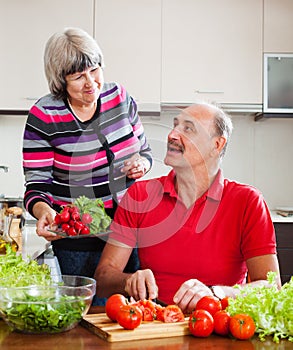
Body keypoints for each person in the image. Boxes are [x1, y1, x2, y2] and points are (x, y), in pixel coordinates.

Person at [95, 102, 281, 313]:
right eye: (175, 126)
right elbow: (102, 279)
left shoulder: (248, 201)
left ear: (217, 145)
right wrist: (129, 281)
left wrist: (217, 293)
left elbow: (271, 287)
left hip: (220, 322)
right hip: (156, 323)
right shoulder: (140, 195)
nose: (172, 135)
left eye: (188, 128)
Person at [22, 27, 153, 305]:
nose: (91, 83)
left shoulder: (120, 98)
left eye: (95, 70)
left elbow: (145, 152)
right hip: (78, 240)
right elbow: (36, 185)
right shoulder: (44, 115)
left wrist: (141, 163)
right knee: (90, 314)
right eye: (78, 76)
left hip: (129, 231)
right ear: (61, 81)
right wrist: (45, 210)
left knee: (134, 309)